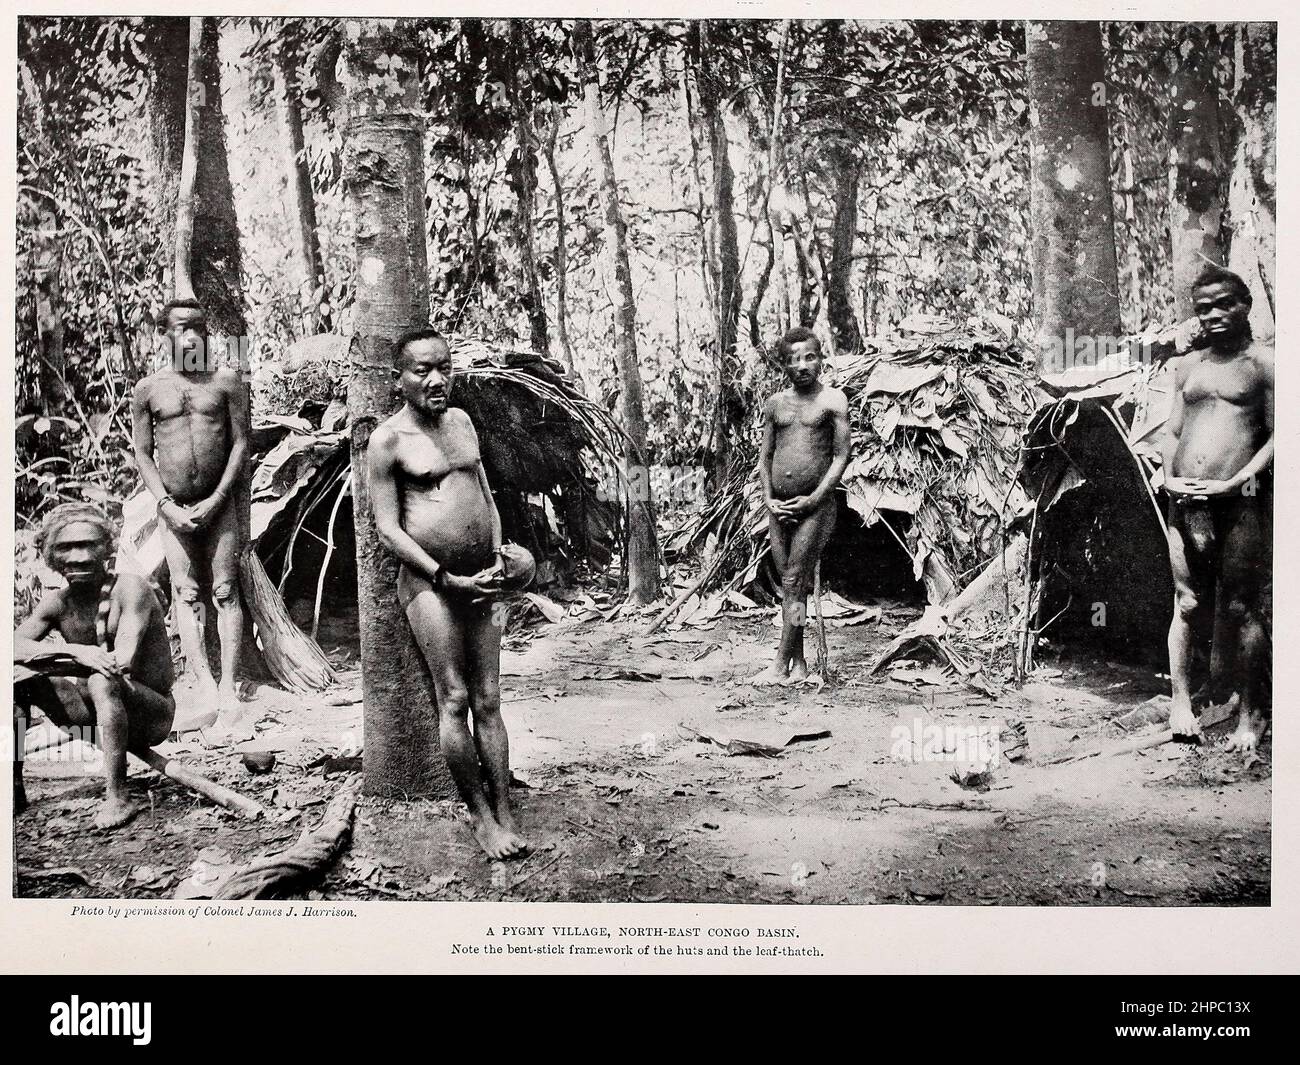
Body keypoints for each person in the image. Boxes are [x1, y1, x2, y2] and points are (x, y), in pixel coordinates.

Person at [367, 328, 528, 860]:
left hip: (483, 581)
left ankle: (504, 809)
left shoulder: (461, 423)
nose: (437, 379)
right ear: (399, 380)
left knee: (489, 700)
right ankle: (480, 817)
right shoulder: (388, 441)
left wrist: (501, 554)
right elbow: (387, 529)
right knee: (455, 698)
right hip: (430, 586)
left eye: (444, 367)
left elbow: (485, 494)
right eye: (422, 370)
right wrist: (445, 576)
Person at [1163, 265, 1273, 753]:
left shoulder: (1265, 366)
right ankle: (1180, 704)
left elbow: (1279, 436)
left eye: (1223, 303)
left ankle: (1252, 715)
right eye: (1203, 308)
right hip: (1184, 503)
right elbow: (1170, 433)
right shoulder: (1187, 367)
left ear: (1245, 303)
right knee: (1186, 603)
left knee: (1240, 606)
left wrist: (1237, 481)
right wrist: (1167, 477)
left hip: (1241, 505)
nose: (1213, 315)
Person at [14, 504, 176, 830]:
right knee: (16, 680)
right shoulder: (57, 603)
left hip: (150, 717)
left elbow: (122, 662)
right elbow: (13, 645)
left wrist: (71, 659)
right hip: (96, 719)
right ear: (49, 555)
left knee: (103, 680)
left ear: (108, 548)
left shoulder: (130, 589)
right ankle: (13, 790)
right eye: (66, 548)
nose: (80, 557)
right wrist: (74, 651)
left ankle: (119, 797)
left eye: (90, 545)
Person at [131, 300, 248, 727]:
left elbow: (239, 443)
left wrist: (217, 499)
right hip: (172, 509)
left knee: (224, 592)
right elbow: (143, 453)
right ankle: (203, 684)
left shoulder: (225, 381)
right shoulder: (149, 389)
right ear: (164, 334)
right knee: (186, 593)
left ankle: (229, 689)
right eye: (182, 328)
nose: (193, 335)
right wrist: (165, 505)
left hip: (220, 507)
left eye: (200, 326)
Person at [754, 326, 851, 685]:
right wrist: (768, 499)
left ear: (820, 358)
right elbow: (765, 459)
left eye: (809, 356)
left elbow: (842, 456)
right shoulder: (776, 404)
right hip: (778, 508)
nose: (802, 365)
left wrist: (813, 498)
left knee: (794, 579)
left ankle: (779, 665)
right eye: (793, 359)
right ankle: (800, 665)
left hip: (815, 507)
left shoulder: (833, 401)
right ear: (783, 365)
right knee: (790, 584)